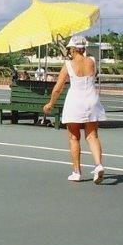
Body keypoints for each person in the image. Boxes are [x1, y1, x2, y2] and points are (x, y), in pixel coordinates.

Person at [43, 35, 107, 184]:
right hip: (92, 99)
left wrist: (50, 104)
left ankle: (76, 172)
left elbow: (58, 88)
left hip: (75, 101)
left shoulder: (68, 65)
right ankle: (98, 165)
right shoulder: (92, 61)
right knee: (92, 136)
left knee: (74, 137)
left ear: (72, 49)